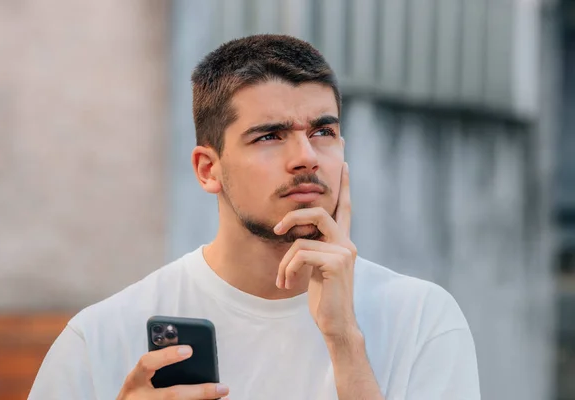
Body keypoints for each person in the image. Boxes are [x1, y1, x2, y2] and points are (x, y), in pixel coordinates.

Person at [28, 34, 480, 400]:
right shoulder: (101, 339)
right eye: (270, 136)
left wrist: (344, 340)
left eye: (324, 131)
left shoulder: (421, 318)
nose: (306, 157)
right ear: (209, 169)